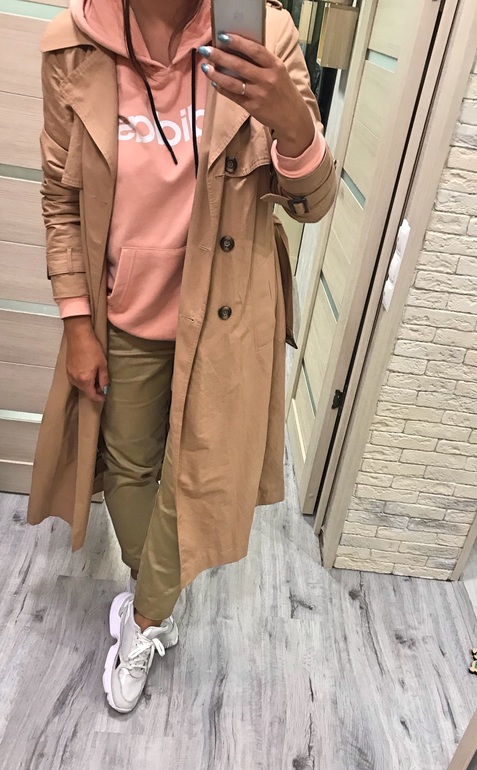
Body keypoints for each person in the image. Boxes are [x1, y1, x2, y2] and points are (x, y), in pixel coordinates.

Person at [27, 0, 337, 713]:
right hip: (123, 312)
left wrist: (293, 124)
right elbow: (60, 200)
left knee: (199, 476)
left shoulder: (266, 33)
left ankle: (143, 620)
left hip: (226, 315)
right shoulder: (72, 45)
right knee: (129, 464)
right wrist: (77, 322)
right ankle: (158, 591)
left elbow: (311, 204)